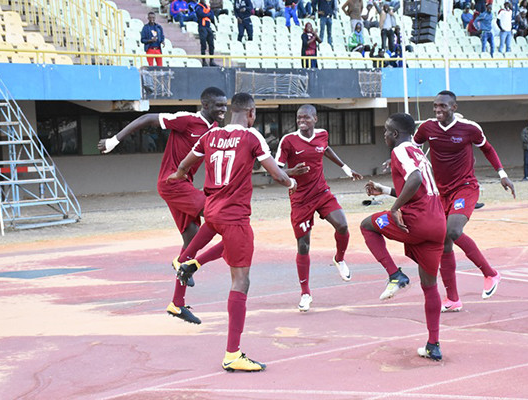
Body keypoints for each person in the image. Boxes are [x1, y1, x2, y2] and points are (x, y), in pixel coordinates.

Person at [168, 93, 296, 372]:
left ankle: (190, 262)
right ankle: (232, 354)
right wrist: (291, 182)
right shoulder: (252, 137)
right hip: (234, 216)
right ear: (251, 113)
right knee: (241, 282)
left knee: (230, 245)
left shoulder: (211, 135)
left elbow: (185, 164)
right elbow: (277, 175)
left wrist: (178, 176)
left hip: (212, 211)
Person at [97, 87, 228, 324]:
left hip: (185, 186)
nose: (223, 109)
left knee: (191, 241)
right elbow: (147, 118)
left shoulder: (216, 131)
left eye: (225, 105)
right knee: (220, 217)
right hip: (172, 183)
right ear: (205, 105)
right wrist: (114, 141)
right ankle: (185, 264)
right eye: (218, 105)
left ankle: (176, 304)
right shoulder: (187, 120)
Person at [412, 90, 516, 313]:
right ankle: (453, 299)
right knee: (443, 244)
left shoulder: (469, 128)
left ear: (454, 108)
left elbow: (487, 148)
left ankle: (490, 273)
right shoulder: (427, 128)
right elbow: (412, 147)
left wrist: (502, 174)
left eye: (443, 106)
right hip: (440, 193)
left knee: (453, 230)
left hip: (465, 188)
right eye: (435, 106)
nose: (438, 110)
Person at [361, 112, 446, 361]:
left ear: (395, 134)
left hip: (416, 221)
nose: (384, 134)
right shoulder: (419, 153)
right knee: (429, 286)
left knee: (367, 225)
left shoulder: (399, 151)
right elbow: (417, 186)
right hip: (437, 222)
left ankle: (395, 275)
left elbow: (415, 179)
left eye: (387, 131)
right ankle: (433, 344)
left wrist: (395, 207)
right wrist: (386, 191)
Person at [275, 104, 363, 312]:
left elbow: (325, 149)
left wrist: (346, 168)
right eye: (298, 118)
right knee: (303, 245)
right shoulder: (288, 141)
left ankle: (339, 259)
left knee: (342, 225)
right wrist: (292, 171)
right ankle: (305, 293)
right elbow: (275, 171)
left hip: (321, 192)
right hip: (299, 198)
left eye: (306, 117)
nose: (301, 121)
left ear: (315, 119)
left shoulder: (322, 134)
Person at [195, 0, 218, 66]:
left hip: (208, 27)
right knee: (203, 44)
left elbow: (212, 15)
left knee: (211, 44)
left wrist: (207, 14)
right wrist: (207, 14)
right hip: (202, 27)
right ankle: (204, 61)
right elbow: (201, 14)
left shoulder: (207, 7)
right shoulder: (198, 7)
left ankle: (211, 60)